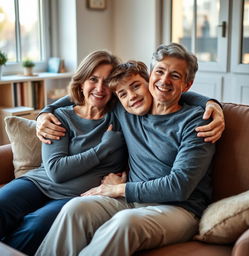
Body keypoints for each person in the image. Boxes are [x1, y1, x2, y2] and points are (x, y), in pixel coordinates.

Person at [35, 43, 219, 256]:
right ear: (150, 76)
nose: (164, 80)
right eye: (159, 72)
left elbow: (179, 186)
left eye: (175, 76)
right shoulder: (129, 109)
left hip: (178, 209)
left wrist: (119, 189)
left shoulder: (198, 122)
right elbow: (88, 92)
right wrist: (45, 112)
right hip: (132, 202)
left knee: (125, 222)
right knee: (76, 208)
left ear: (187, 85)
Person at [0, 50, 127, 255]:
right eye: (93, 79)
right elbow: (56, 171)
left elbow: (158, 92)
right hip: (38, 183)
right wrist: (102, 150)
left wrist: (200, 103)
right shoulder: (60, 116)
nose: (100, 88)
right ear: (82, 82)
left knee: (36, 227)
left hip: (73, 197)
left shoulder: (123, 117)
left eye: (107, 82)